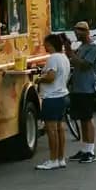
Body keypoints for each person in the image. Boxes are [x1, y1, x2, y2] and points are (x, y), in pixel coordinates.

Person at [35, 34, 71, 170]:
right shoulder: (64, 57)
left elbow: (51, 77)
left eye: (45, 44)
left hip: (52, 97)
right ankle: (61, 158)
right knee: (59, 128)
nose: (44, 46)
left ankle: (53, 159)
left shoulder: (52, 58)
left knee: (51, 130)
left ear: (50, 44)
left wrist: (39, 79)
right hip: (63, 95)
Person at [66, 21, 96, 164]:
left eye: (79, 32)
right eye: (75, 32)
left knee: (88, 118)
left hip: (88, 87)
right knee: (82, 118)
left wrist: (70, 53)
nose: (76, 34)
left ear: (86, 32)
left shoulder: (93, 47)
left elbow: (85, 65)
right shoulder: (81, 47)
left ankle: (91, 151)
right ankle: (85, 148)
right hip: (78, 87)